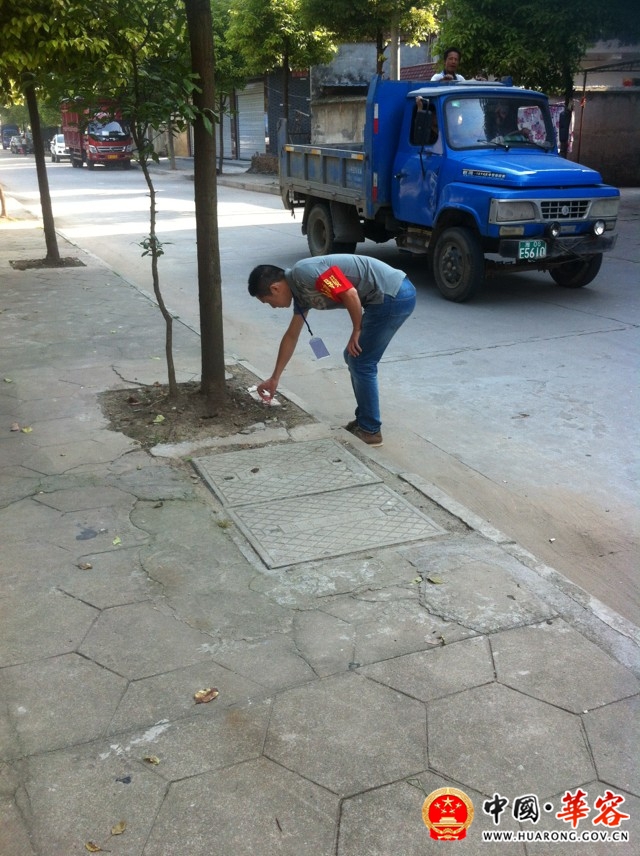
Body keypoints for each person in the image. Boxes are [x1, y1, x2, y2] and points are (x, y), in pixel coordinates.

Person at [248, 255, 416, 447]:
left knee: (361, 361)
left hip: (393, 294)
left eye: (268, 302)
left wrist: (357, 329)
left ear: (275, 288)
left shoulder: (305, 272)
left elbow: (349, 293)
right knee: (353, 357)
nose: (273, 307)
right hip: (388, 296)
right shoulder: (300, 294)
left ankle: (370, 430)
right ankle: (365, 421)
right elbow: (291, 336)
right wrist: (274, 378)